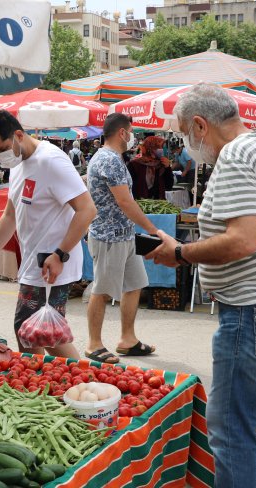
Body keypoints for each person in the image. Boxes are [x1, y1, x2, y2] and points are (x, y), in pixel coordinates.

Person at [145, 83, 256, 488]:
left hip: (255, 313)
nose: (186, 143)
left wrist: (181, 254)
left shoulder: (236, 157)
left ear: (201, 126)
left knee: (231, 432)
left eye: (185, 134)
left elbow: (242, 241)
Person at [0, 110, 96, 358]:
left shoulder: (51, 161)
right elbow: (10, 215)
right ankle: (46, 384)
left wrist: (60, 253)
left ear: (19, 135)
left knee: (40, 332)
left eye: (3, 149)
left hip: (52, 264)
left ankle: (84, 385)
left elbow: (86, 210)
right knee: (33, 333)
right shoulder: (18, 165)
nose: (1, 157)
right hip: (35, 262)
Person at [85, 113, 158, 364]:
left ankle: (128, 339)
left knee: (134, 284)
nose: (133, 135)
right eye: (131, 130)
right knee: (102, 290)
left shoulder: (114, 158)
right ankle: (94, 343)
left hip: (124, 235)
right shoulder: (109, 159)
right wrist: (153, 229)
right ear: (122, 133)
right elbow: (125, 201)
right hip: (109, 236)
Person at [129, 136, 174, 200]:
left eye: (162, 147)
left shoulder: (162, 164)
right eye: (158, 147)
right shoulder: (134, 164)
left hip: (159, 203)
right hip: (140, 203)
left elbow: (169, 186)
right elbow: (129, 186)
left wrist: (168, 167)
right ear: (149, 148)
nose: (161, 149)